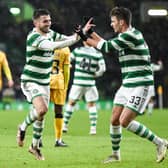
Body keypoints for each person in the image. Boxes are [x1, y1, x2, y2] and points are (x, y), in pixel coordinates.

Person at [76, 7, 168, 163]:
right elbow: (103, 43)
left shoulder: (131, 36)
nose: (111, 25)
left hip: (140, 84)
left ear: (122, 22)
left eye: (113, 22)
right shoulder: (125, 36)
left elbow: (106, 47)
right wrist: (88, 33)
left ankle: (160, 143)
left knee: (124, 121)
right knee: (114, 119)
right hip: (127, 84)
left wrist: (84, 36)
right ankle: (116, 155)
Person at [16, 8, 80, 160]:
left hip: (45, 81)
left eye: (50, 21)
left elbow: (66, 38)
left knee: (41, 115)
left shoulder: (51, 33)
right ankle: (23, 127)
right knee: (42, 109)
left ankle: (34, 147)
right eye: (45, 21)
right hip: (31, 80)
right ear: (36, 22)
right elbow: (53, 46)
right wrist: (77, 38)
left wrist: (80, 34)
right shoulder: (34, 37)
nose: (48, 24)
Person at [63, 41, 106, 135]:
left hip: (78, 82)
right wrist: (96, 74)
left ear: (84, 41)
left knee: (71, 103)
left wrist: (68, 66)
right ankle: (93, 129)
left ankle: (64, 126)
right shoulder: (98, 54)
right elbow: (102, 69)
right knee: (92, 105)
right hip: (90, 83)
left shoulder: (78, 51)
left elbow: (68, 60)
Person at [50, 46, 71, 147]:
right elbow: (66, 70)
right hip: (59, 81)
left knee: (41, 109)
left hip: (45, 80)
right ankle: (58, 140)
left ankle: (38, 139)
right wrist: (66, 86)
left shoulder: (46, 44)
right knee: (58, 110)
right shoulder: (65, 49)